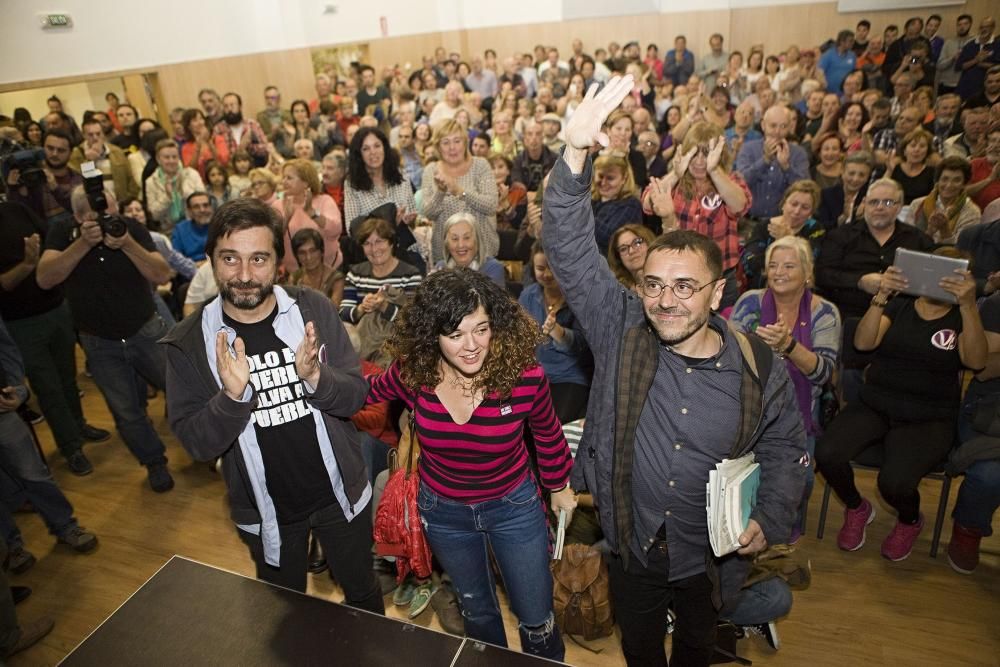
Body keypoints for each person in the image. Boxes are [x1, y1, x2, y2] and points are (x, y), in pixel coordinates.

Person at [544, 74, 805, 667]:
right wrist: (577, 153)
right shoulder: (621, 328)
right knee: (640, 652)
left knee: (697, 647)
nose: (666, 300)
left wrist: (769, 518)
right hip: (633, 548)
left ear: (716, 295)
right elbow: (568, 246)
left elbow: (787, 448)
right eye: (655, 285)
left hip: (711, 558)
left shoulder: (757, 365)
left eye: (685, 287)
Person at [161, 198, 383, 611]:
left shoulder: (312, 308)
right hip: (266, 513)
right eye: (230, 259)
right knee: (287, 613)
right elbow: (197, 445)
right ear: (210, 260)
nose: (245, 275)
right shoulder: (188, 342)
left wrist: (317, 377)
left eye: (259, 259)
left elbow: (356, 396)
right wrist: (231, 398)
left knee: (364, 593)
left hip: (341, 494)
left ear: (279, 262)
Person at [366, 269, 574, 661]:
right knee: (477, 614)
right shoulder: (415, 372)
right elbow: (365, 391)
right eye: (455, 334)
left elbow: (547, 434)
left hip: (514, 509)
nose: (472, 346)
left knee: (536, 620)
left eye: (481, 329)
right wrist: (315, 379)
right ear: (432, 335)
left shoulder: (524, 376)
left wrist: (560, 486)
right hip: (444, 514)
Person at [815, 251, 987, 560]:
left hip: (929, 416)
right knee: (827, 453)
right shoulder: (902, 304)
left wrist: (969, 305)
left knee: (894, 483)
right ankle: (856, 507)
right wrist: (881, 295)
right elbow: (864, 343)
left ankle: (909, 520)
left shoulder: (964, 314)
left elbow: (976, 361)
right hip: (877, 401)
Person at [36, 185, 174, 492]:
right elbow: (45, 278)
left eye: (107, 210)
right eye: (91, 213)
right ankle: (154, 462)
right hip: (99, 342)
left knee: (182, 389)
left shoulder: (130, 227)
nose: (101, 218)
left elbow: (162, 274)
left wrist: (126, 243)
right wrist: (83, 244)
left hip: (145, 329)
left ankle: (207, 446)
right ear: (76, 216)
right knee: (126, 413)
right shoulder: (62, 231)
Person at [731, 236, 842, 539]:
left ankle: (779, 535)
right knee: (740, 475)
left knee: (800, 481)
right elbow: (730, 358)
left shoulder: (825, 312)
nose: (779, 272)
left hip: (798, 413)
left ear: (807, 272)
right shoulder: (750, 302)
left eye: (789, 265)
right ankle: (741, 529)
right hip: (749, 406)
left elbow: (825, 374)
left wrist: (788, 345)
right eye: (773, 265)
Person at [0, 201, 109, 476]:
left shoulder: (17, 208)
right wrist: (28, 265)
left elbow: (52, 243)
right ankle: (70, 447)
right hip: (20, 321)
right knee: (48, 388)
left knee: (68, 377)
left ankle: (78, 424)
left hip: (56, 307)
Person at [0, 315, 99, 571]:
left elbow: (6, 347)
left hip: (2, 411)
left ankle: (66, 526)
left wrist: (18, 391)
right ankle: (12, 547)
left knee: (33, 473)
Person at [644, 120, 751, 309]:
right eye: (694, 153)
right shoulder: (676, 182)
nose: (700, 161)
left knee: (724, 332)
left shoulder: (730, 180)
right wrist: (676, 174)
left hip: (721, 277)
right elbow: (648, 202)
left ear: (719, 154)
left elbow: (740, 205)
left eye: (707, 154)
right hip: (680, 275)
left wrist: (714, 170)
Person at [947, 290, 1000, 574]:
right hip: (989, 412)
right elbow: (982, 368)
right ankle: (968, 529)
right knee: (990, 475)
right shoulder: (997, 303)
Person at [518, 242, 592, 423]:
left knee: (555, 423)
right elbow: (518, 335)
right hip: (536, 373)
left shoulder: (578, 299)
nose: (547, 274)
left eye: (552, 268)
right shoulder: (529, 295)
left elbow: (582, 347)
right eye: (540, 268)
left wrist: (557, 331)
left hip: (570, 375)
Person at [421, 119, 499, 263]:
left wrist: (460, 191)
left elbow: (491, 205)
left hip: (482, 251)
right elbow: (429, 213)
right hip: (446, 254)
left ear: (465, 143)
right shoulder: (431, 170)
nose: (452, 147)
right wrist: (440, 191)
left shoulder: (480, 166)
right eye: (446, 142)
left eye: (457, 141)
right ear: (438, 146)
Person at [740, 180, 825, 290]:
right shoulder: (763, 227)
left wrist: (787, 239)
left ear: (811, 212)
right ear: (784, 203)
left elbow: (808, 264)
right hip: (761, 290)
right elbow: (750, 265)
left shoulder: (815, 230)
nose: (797, 211)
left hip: (797, 291)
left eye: (805, 207)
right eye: (793, 204)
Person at [339, 217, 423, 325]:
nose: (374, 249)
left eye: (379, 241)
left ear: (391, 243)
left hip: (398, 339)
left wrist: (384, 306)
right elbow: (342, 315)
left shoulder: (410, 275)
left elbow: (414, 320)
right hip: (361, 338)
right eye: (367, 243)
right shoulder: (355, 274)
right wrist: (361, 308)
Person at [735, 105, 809, 220]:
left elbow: (805, 190)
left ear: (790, 127)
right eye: (773, 126)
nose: (777, 132)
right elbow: (741, 182)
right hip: (748, 221)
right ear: (763, 125)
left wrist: (786, 167)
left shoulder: (798, 153)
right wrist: (765, 160)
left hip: (784, 222)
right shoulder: (748, 149)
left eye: (783, 126)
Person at [272, 159, 342, 275]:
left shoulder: (324, 201)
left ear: (306, 182)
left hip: (329, 271)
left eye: (289, 178)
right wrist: (286, 220)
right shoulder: (278, 205)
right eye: (283, 177)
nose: (284, 182)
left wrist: (312, 213)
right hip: (294, 275)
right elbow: (273, 240)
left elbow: (335, 230)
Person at [5, 129, 82, 227]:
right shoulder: (32, 177)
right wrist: (13, 189)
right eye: (50, 148)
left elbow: (79, 209)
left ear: (70, 152)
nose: (54, 154)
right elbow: (21, 215)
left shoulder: (77, 179)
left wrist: (55, 189)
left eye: (61, 150)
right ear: (42, 148)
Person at [343, 127, 417, 228]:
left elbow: (413, 214)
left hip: (407, 241)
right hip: (375, 243)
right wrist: (390, 224)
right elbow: (351, 228)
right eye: (366, 149)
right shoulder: (352, 184)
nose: (373, 152)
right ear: (359, 154)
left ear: (385, 148)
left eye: (377, 146)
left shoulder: (401, 175)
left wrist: (410, 221)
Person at [909, 156, 982, 244]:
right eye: (945, 179)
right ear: (937, 181)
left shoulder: (972, 212)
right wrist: (930, 232)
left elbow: (963, 249)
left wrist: (945, 231)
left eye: (956, 180)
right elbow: (907, 240)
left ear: (964, 184)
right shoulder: (917, 204)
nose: (949, 185)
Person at [69, 118, 139, 202]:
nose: (95, 138)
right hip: (95, 205)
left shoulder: (116, 151)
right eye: (90, 135)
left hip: (120, 203)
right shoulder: (76, 155)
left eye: (98, 134)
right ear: (84, 135)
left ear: (103, 134)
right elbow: (79, 183)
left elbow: (130, 179)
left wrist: (128, 201)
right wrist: (89, 162)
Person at [144, 139, 205, 234]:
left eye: (174, 157)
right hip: (168, 231)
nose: (171, 161)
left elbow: (204, 204)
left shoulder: (191, 174)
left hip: (195, 226)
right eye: (167, 157)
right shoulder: (151, 182)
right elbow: (154, 215)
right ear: (158, 159)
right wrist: (167, 197)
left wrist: (184, 191)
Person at [434, 212, 505, 287]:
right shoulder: (441, 267)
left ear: (477, 240)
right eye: (455, 239)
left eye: (467, 238)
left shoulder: (492, 267)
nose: (461, 245)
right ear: (446, 244)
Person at [816, 150, 874, 228]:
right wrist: (843, 218)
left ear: (867, 177)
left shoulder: (870, 197)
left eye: (862, 175)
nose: (855, 179)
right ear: (842, 172)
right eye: (851, 173)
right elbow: (822, 229)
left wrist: (860, 219)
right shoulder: (826, 195)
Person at [289, 227, 345, 304]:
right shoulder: (295, 278)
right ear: (296, 256)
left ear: (322, 252)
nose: (308, 257)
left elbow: (333, 310)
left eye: (313, 251)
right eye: (302, 253)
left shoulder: (336, 279)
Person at [213, 93, 269, 167]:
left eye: (232, 105)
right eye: (226, 106)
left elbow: (265, 149)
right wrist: (242, 146)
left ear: (240, 106)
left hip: (254, 166)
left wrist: (250, 146)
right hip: (232, 169)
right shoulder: (218, 129)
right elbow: (221, 158)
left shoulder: (251, 124)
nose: (229, 109)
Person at [956, 17, 1000, 101]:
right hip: (965, 87)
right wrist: (976, 60)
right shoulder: (970, 45)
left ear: (993, 28)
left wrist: (983, 64)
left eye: (987, 26)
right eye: (981, 27)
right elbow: (959, 66)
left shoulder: (997, 45)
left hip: (987, 90)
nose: (984, 29)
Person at [890, 128, 936, 205]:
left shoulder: (932, 172)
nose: (917, 150)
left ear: (927, 152)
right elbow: (883, 194)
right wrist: (889, 171)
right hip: (895, 210)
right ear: (904, 150)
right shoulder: (894, 168)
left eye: (922, 146)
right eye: (913, 146)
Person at [181, 109, 230, 179]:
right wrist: (197, 147)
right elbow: (190, 171)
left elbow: (224, 162)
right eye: (195, 120)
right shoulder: (186, 147)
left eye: (201, 119)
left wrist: (209, 142)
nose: (200, 123)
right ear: (188, 126)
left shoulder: (218, 139)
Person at [511, 122, 557, 196]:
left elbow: (556, 185)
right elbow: (517, 183)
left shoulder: (554, 159)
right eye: (529, 134)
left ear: (542, 137)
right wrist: (526, 196)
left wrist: (537, 196)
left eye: (538, 134)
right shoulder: (518, 160)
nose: (534, 138)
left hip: (547, 198)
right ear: (525, 138)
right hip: (526, 199)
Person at [607, 223, 657, 290]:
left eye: (637, 243)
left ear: (649, 243)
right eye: (623, 249)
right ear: (618, 258)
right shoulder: (617, 291)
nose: (631, 251)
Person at [938, 14, 975, 95]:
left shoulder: (974, 42)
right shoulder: (948, 42)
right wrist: (952, 58)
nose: (962, 27)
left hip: (965, 83)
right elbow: (940, 65)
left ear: (970, 25)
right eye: (959, 24)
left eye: (965, 24)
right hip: (946, 84)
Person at [171, 192, 215, 261]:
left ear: (211, 208)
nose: (202, 210)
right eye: (196, 207)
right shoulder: (180, 229)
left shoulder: (222, 226)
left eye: (206, 205)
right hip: (191, 269)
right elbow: (177, 260)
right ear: (189, 211)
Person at [968, 123, 1000, 210]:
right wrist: (989, 179)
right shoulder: (974, 164)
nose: (995, 146)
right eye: (992, 140)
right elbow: (962, 192)